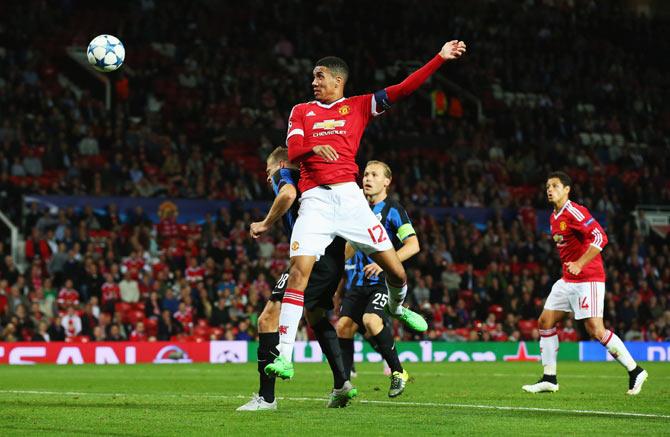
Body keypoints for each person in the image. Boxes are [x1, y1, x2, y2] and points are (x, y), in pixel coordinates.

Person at [266, 40, 467, 380]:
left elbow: (403, 89)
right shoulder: (301, 111)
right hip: (314, 199)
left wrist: (439, 58)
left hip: (349, 199)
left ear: (337, 80)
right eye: (313, 77)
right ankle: (284, 356)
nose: (314, 82)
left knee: (397, 273)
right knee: (299, 272)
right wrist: (316, 144)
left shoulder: (360, 106)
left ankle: (397, 306)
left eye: (320, 76)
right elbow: (294, 149)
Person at [237, 147, 355, 412]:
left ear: (279, 164)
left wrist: (265, 223)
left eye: (268, 172)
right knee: (315, 315)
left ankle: (266, 398)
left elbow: (287, 194)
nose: (269, 178)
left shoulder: (286, 174)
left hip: (311, 259)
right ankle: (342, 384)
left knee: (268, 318)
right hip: (332, 258)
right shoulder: (315, 180)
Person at [522, 171, 647, 395]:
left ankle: (635, 370)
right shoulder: (553, 216)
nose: (549, 190)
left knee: (595, 330)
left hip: (588, 277)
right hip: (568, 279)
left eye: (555, 186)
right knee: (545, 320)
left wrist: (579, 263)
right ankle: (549, 378)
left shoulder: (575, 211)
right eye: (547, 186)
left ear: (567, 189)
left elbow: (601, 237)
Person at [336, 161, 420, 398]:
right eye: (365, 174)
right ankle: (342, 384)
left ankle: (397, 372)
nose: (367, 178)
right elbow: (350, 249)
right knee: (343, 327)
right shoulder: (357, 211)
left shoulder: (393, 210)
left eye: (374, 175)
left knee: (371, 321)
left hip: (383, 282)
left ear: (386, 182)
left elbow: (413, 245)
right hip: (357, 284)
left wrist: (384, 263)